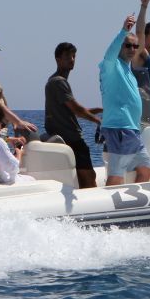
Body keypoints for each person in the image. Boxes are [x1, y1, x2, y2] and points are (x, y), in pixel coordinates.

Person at [99, 13, 150, 186]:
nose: (132, 49)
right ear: (120, 46)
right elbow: (109, 54)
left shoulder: (128, 70)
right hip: (119, 128)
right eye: (128, 45)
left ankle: (133, 199)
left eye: (135, 46)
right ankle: (109, 201)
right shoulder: (111, 66)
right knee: (116, 174)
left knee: (146, 168)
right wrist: (123, 31)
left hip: (132, 129)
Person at [44, 42, 102, 189]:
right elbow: (76, 109)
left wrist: (100, 110)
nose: (71, 59)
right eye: (67, 56)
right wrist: (98, 121)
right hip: (73, 139)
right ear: (58, 59)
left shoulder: (54, 81)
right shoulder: (59, 82)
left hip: (67, 138)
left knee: (86, 176)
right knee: (89, 178)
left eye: (73, 56)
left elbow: (72, 110)